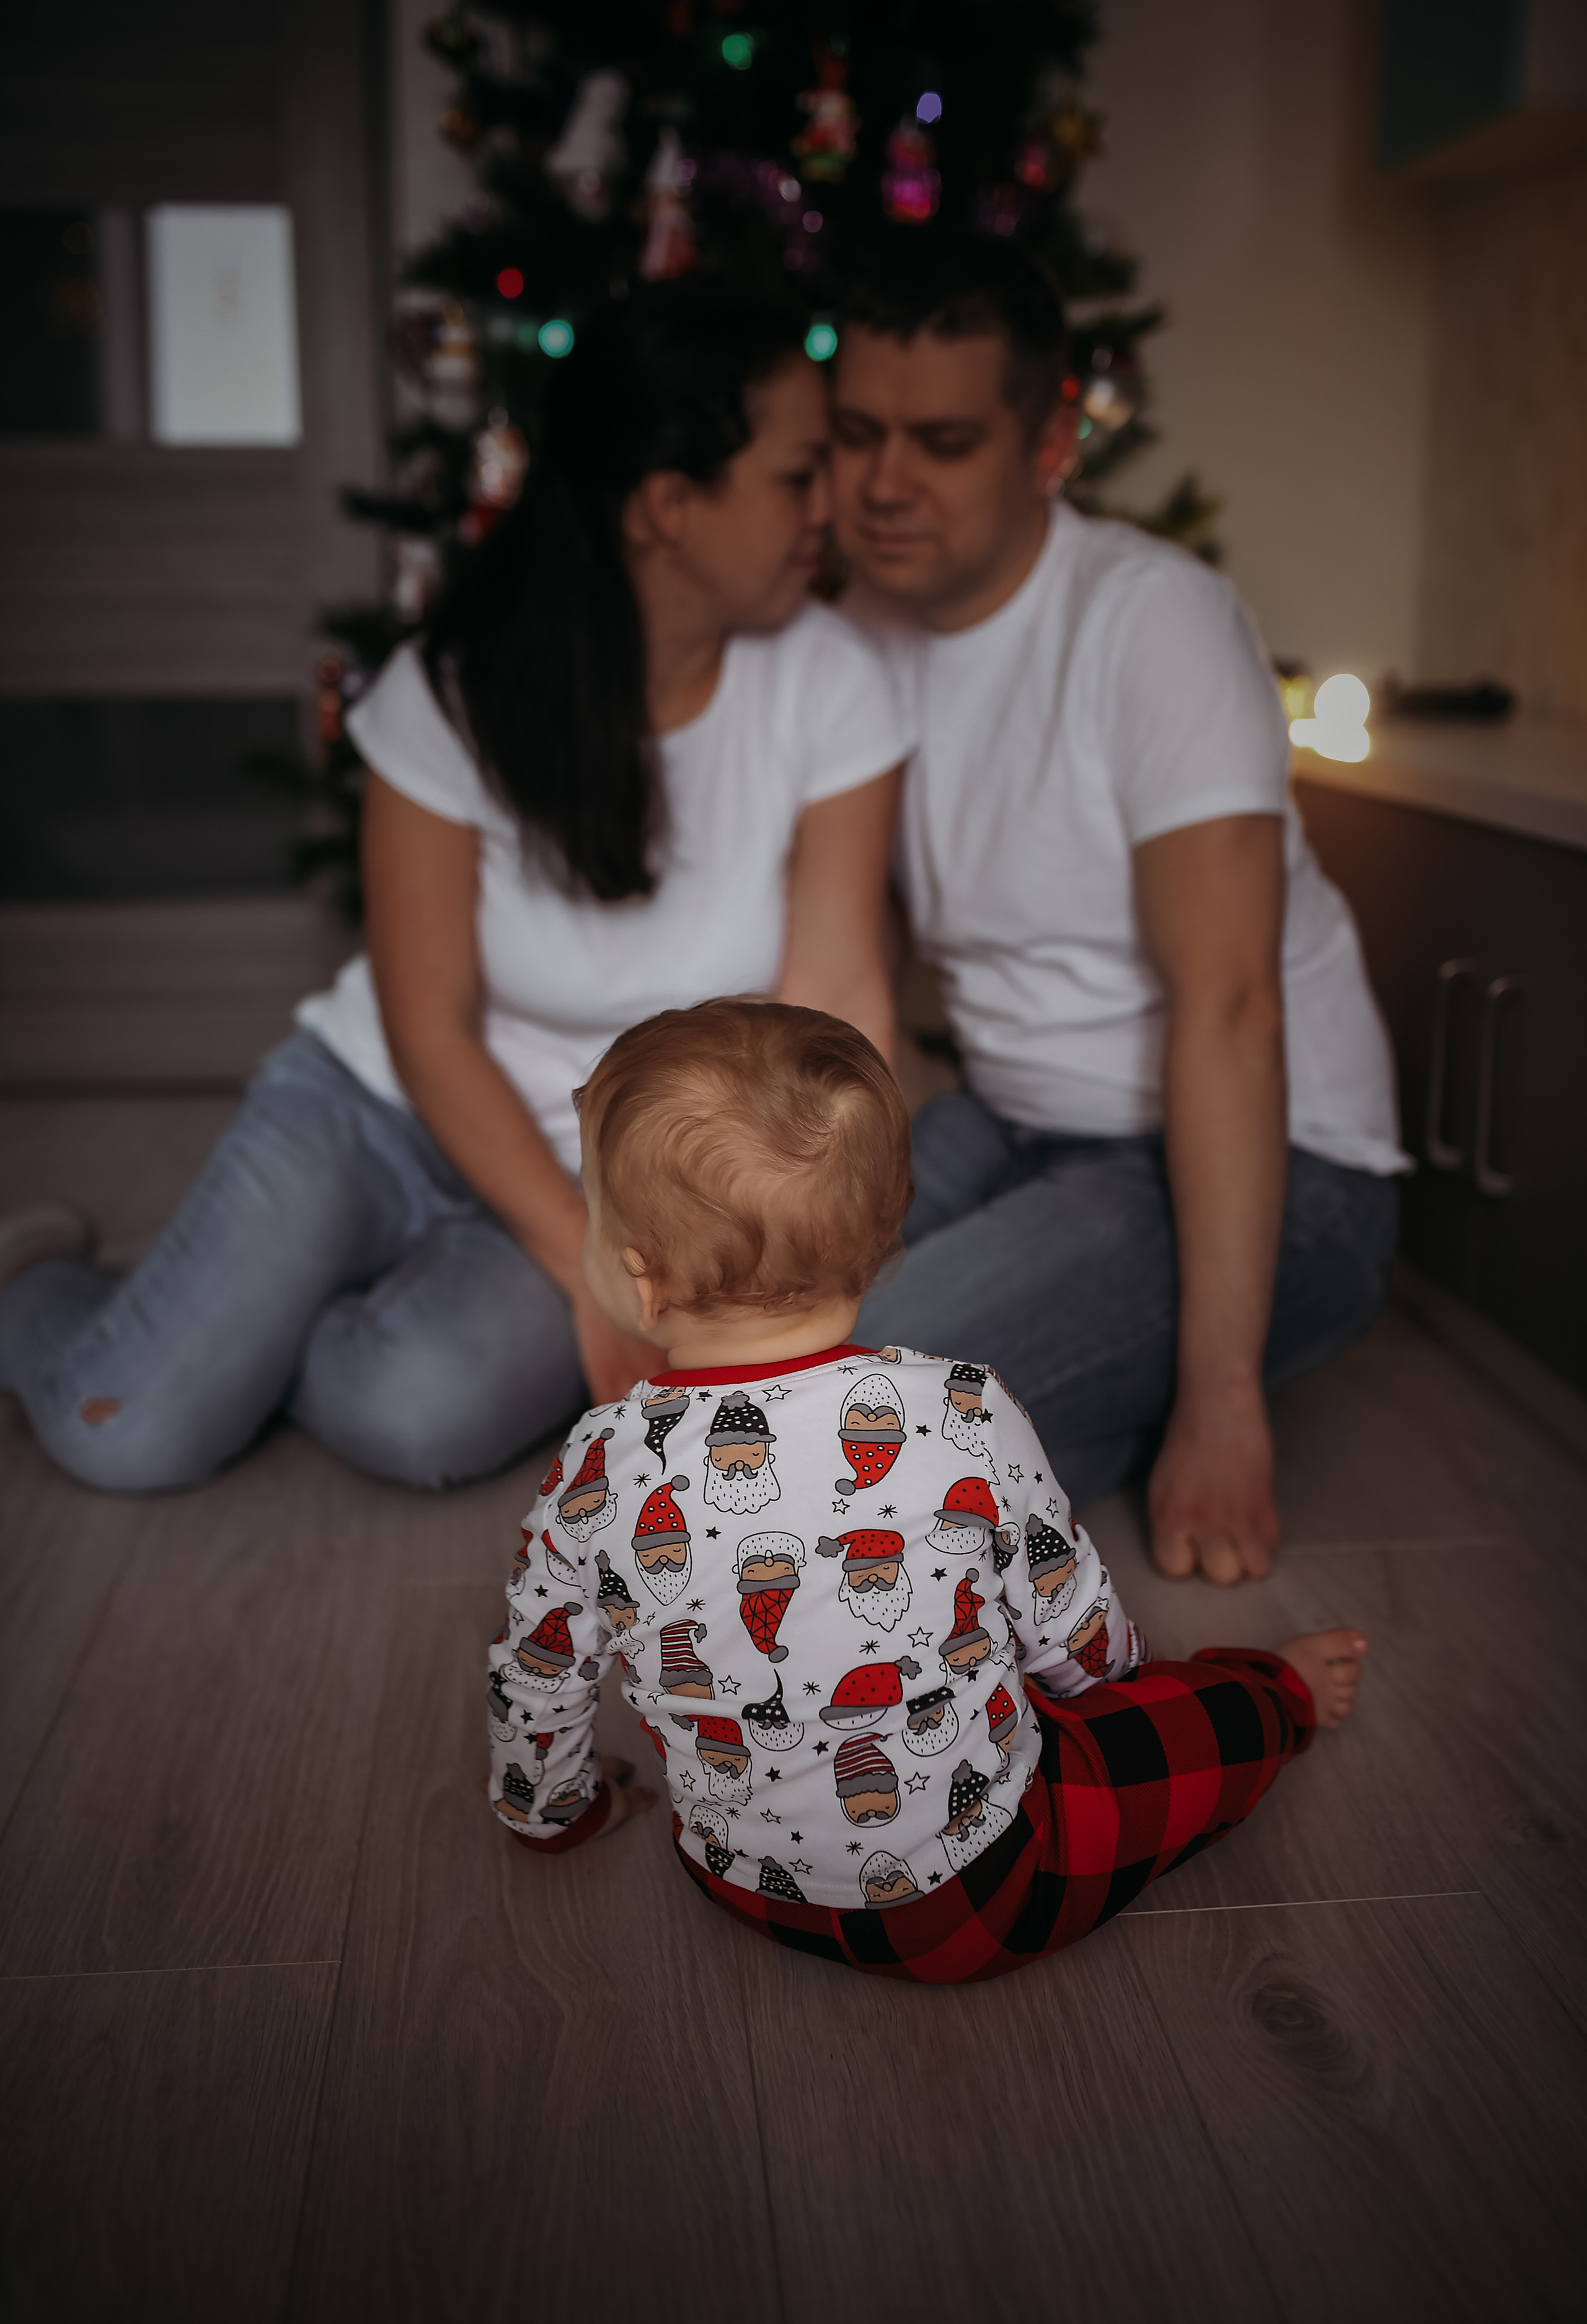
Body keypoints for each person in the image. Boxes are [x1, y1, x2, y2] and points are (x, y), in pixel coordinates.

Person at [0, 286, 906, 1493]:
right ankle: (41, 1285)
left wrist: (769, 1271)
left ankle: (256, 1319)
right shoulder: (452, 689)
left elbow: (834, 1000)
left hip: (618, 1168)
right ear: (668, 506)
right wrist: (592, 1276)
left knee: (413, 1414)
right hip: (377, 1108)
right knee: (126, 1433)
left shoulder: (833, 685)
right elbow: (428, 1030)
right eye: (797, 477)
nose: (828, 507)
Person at [487, 996, 1366, 1985]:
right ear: (878, 1244)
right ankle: (1282, 1693)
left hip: (736, 1877)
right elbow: (1075, 1629)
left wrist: (557, 1815)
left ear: (640, 1282)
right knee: (1197, 1729)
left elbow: (539, 1674)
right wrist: (1124, 1701)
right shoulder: (960, 1408)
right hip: (979, 1899)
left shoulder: (596, 1467)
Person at [828, 234, 1407, 1588]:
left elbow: (1230, 1007)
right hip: (1015, 1122)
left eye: (942, 440)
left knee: (854, 1410)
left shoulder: (1153, 622)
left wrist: (1220, 1400)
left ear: (1047, 448)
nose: (883, 483)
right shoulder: (858, 629)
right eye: (856, 433)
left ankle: (1138, 1376)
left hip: (1282, 1168)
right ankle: (1050, 1404)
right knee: (762, 1342)